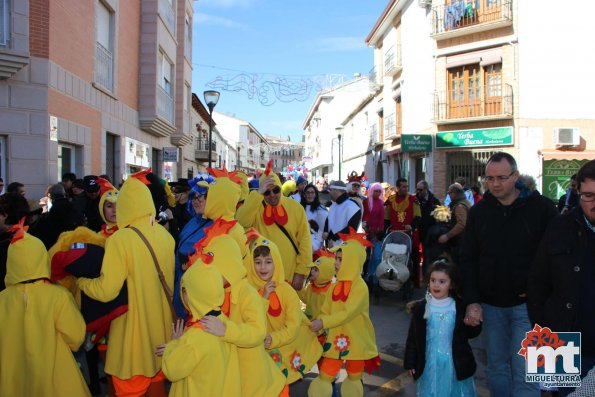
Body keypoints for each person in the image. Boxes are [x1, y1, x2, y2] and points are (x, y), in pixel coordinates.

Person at [460, 152, 558, 397]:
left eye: (501, 178)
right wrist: (472, 300)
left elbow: (556, 259)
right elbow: (468, 258)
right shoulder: (479, 212)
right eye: (489, 178)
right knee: (496, 368)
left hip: (529, 306)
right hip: (491, 306)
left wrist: (548, 296)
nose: (494, 184)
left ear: (515, 176)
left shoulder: (543, 209)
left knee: (526, 369)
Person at [77, 171, 175, 397]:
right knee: (157, 386)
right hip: (161, 333)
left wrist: (82, 283)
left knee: (129, 388)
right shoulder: (164, 235)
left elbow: (106, 291)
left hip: (133, 339)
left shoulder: (120, 239)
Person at [195, 219, 285, 397]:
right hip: (229, 377)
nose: (208, 273)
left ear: (227, 265)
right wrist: (181, 345)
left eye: (212, 267)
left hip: (253, 381)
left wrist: (227, 330)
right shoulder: (213, 292)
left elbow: (258, 331)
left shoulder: (246, 293)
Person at [0, 219, 90, 396]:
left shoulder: (3, 299)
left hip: (14, 378)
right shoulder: (58, 296)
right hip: (57, 374)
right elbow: (76, 335)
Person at [528, 160, 595, 396]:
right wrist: (546, 367)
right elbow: (538, 286)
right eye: (589, 196)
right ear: (577, 193)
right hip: (565, 345)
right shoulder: (559, 227)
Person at [245, 230, 322, 392]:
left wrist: (272, 339)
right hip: (259, 352)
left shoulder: (287, 292)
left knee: (279, 387)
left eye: (268, 262)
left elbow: (293, 327)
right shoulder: (249, 290)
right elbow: (249, 320)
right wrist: (264, 297)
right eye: (257, 262)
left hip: (284, 348)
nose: (263, 267)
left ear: (277, 262)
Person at [309, 228, 380, 397]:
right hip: (335, 339)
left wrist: (324, 322)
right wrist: (317, 324)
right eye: (337, 259)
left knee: (354, 376)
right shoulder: (333, 286)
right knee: (325, 374)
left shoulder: (360, 287)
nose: (336, 262)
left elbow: (348, 313)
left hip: (356, 339)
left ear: (353, 261)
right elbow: (325, 310)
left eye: (341, 259)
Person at [404, 259, 481, 397]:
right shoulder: (422, 308)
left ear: (451, 284)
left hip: (455, 364)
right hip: (430, 365)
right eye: (433, 280)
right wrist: (410, 362)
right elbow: (413, 338)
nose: (436, 285)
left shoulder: (458, 307)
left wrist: (473, 323)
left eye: (442, 281)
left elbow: (470, 334)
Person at [160, 260, 231, 397]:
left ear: (193, 295)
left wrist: (174, 344)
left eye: (185, 290)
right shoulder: (222, 321)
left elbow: (172, 370)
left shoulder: (194, 338)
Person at [236, 161, 312, 290]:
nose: (272, 195)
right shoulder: (256, 206)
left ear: (280, 188)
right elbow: (241, 221)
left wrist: (301, 272)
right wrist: (257, 195)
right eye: (267, 192)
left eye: (275, 190)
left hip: (288, 275)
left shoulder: (295, 207)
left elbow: (305, 241)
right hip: (261, 276)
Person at [173, 174, 214, 320]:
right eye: (193, 197)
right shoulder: (193, 221)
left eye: (200, 197)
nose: (195, 201)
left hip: (200, 293)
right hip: (181, 283)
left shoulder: (217, 225)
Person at [298, 248, 336, 320]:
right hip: (309, 320)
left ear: (324, 274)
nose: (312, 271)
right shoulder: (310, 287)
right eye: (312, 268)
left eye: (316, 270)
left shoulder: (330, 291)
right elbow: (306, 298)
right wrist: (298, 289)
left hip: (321, 325)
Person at [438, 183, 471, 264]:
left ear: (454, 193)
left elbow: (461, 224)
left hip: (461, 242)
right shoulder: (466, 202)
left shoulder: (460, 206)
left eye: (449, 193)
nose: (449, 195)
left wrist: (447, 236)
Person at [324, 180, 362, 247]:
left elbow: (351, 229)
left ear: (337, 190)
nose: (329, 193)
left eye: (331, 190)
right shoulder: (333, 205)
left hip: (345, 248)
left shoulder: (352, 206)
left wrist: (334, 238)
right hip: (332, 247)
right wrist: (326, 231)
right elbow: (329, 220)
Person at [415, 180, 440, 262]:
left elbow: (439, 217)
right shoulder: (414, 200)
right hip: (417, 230)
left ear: (426, 189)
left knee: (428, 256)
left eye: (420, 190)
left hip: (429, 231)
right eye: (417, 189)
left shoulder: (434, 201)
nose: (418, 192)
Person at [301, 183, 329, 252]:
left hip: (317, 240)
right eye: (308, 193)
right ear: (304, 195)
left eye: (312, 192)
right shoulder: (300, 208)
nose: (310, 195)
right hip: (303, 239)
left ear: (316, 194)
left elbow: (326, 222)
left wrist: (325, 232)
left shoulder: (321, 208)